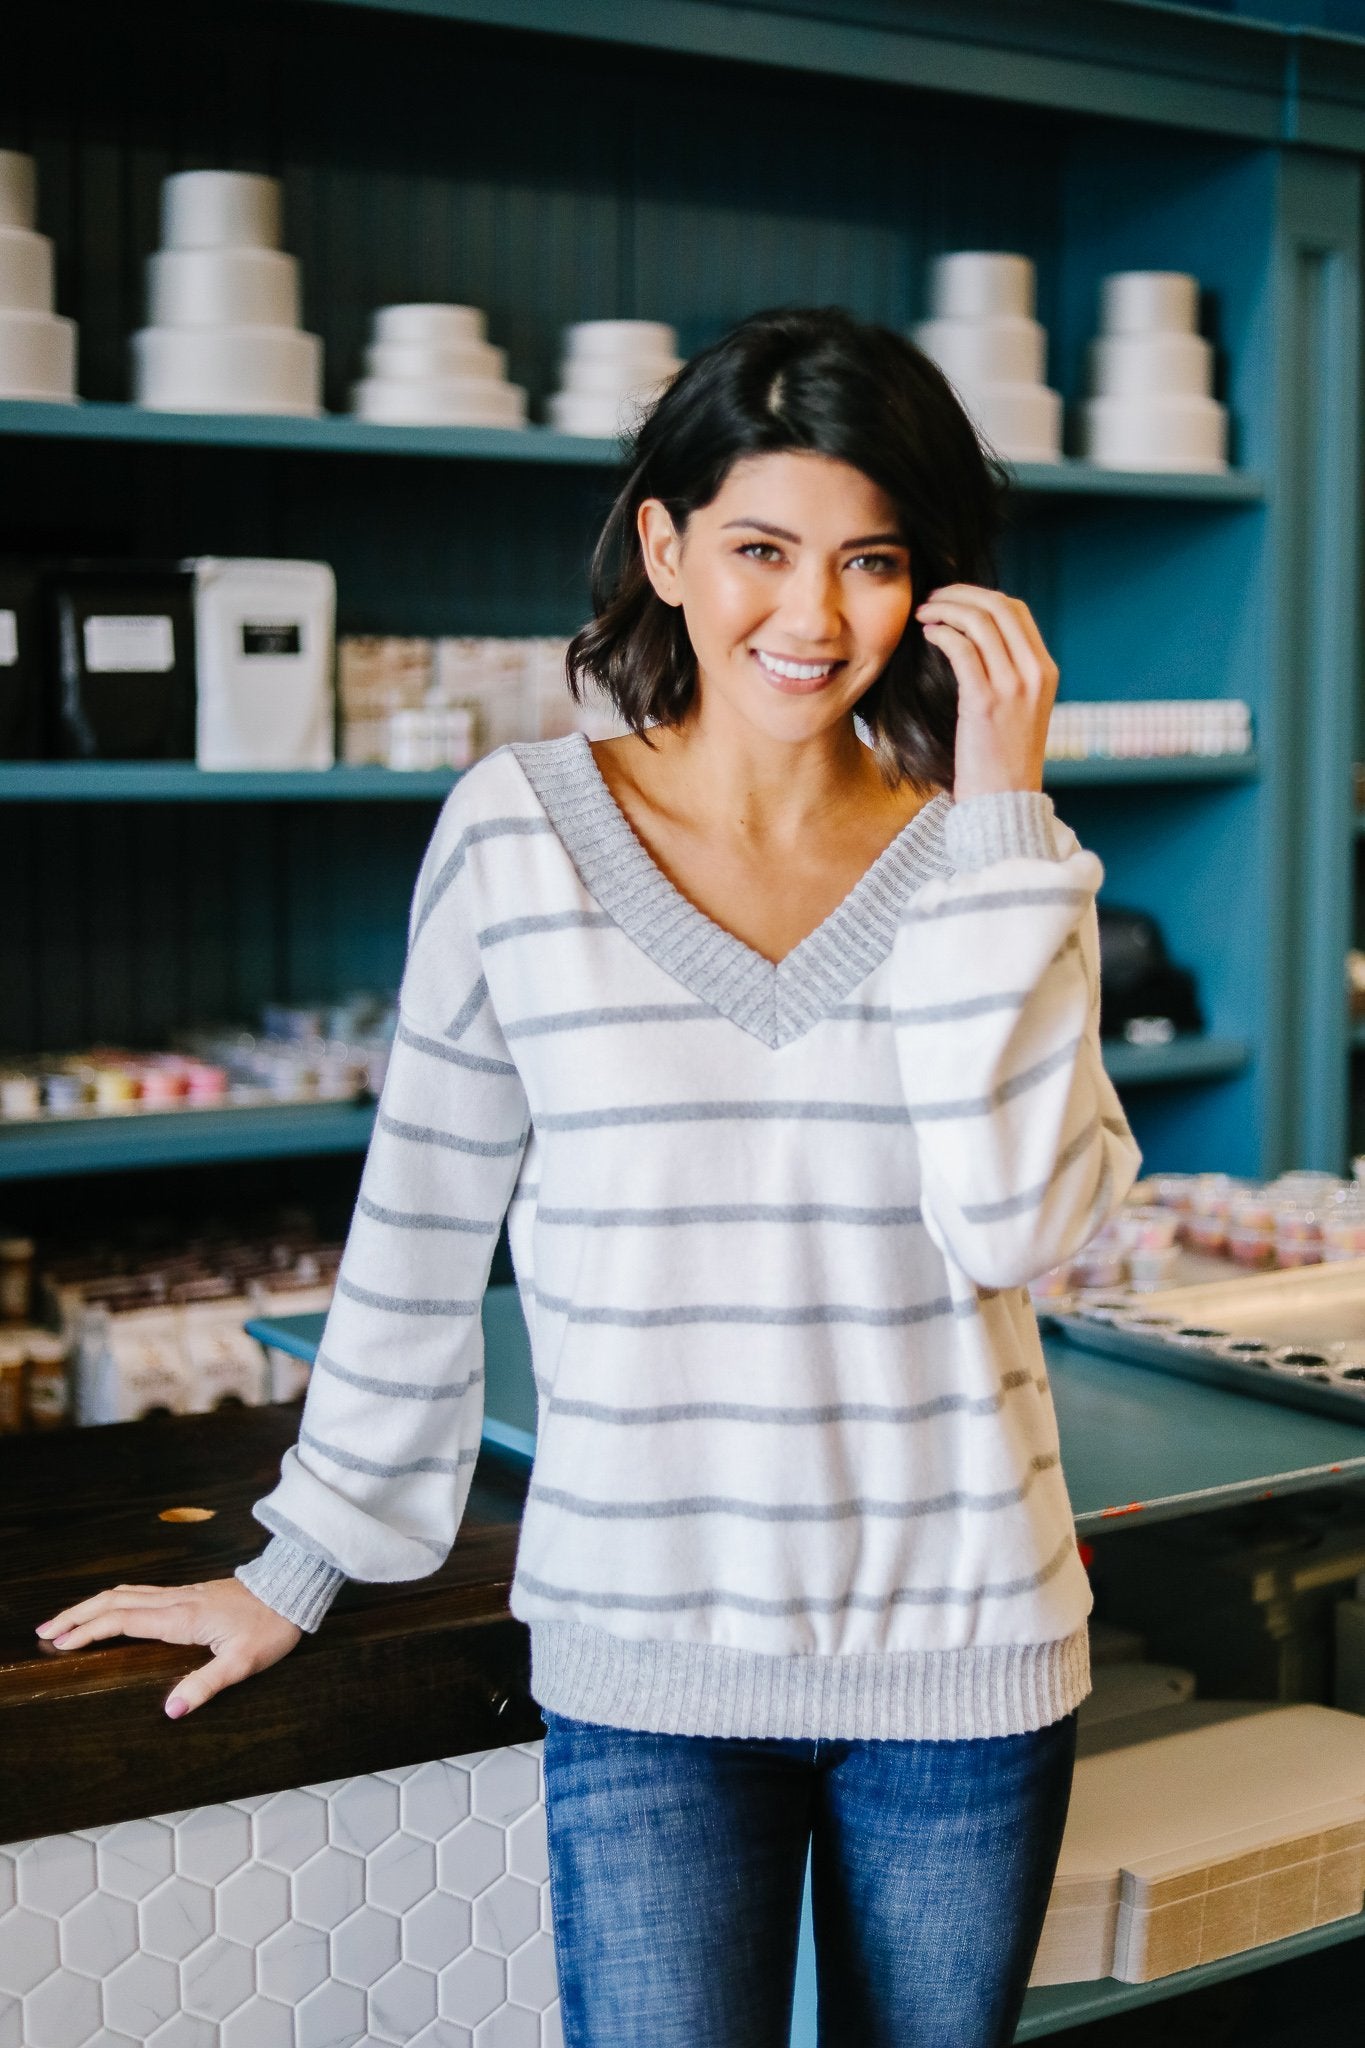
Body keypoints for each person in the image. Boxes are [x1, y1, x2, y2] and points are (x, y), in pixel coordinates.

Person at [35, 306, 1141, 2047]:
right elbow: (416, 1221)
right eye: (761, 549)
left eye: (870, 561)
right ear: (666, 548)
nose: (813, 614)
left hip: (965, 1651)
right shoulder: (517, 832)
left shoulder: (989, 863)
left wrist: (1003, 821)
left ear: (928, 585)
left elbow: (1022, 1223)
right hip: (647, 1661)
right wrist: (297, 1563)